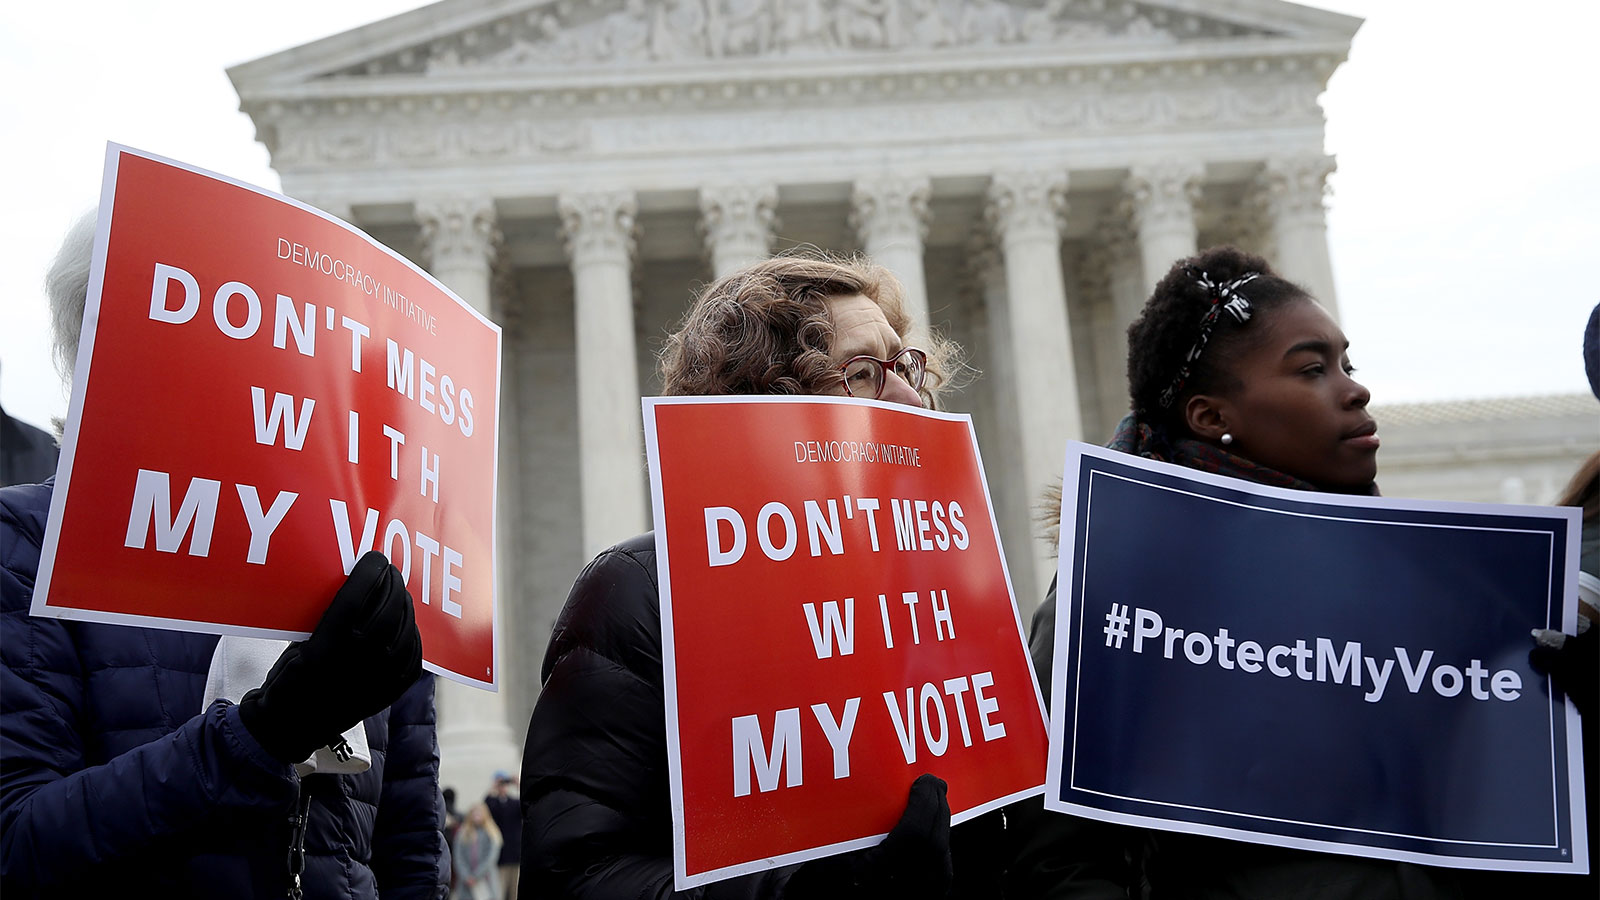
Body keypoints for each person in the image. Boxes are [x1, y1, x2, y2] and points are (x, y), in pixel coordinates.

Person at [1012, 245, 1596, 899]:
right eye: (1313, 369)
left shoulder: (1427, 586)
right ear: (1212, 417)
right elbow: (1059, 866)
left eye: (1348, 363)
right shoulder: (1116, 603)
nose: (1356, 388)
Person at [0, 213, 448, 897]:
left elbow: (410, 853)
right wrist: (260, 736)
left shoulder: (355, 566)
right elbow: (18, 844)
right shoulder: (28, 543)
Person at [518, 254, 961, 898]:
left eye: (907, 367)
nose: (908, 395)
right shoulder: (641, 594)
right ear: (766, 407)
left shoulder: (939, 590)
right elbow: (579, 879)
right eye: (863, 374)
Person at [452, 804, 504, 900]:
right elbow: (458, 856)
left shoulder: (491, 833)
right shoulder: (462, 833)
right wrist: (466, 875)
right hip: (466, 882)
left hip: (486, 879)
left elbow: (491, 857)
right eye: (474, 813)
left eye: (479, 813)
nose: (476, 816)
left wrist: (476, 875)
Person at [484, 772, 522, 900]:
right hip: (501, 855)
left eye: (504, 784)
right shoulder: (494, 803)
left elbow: (527, 804)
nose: (503, 787)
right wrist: (494, 786)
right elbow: (484, 806)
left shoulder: (514, 803)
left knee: (515, 891)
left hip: (516, 853)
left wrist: (518, 785)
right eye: (501, 784)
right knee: (500, 890)